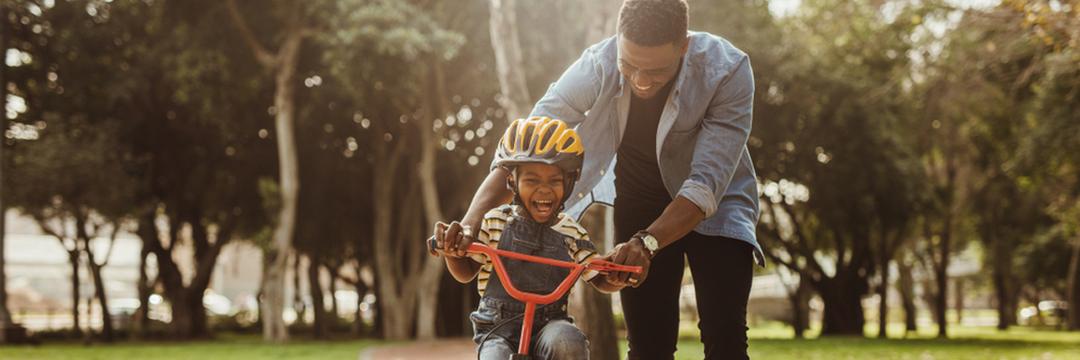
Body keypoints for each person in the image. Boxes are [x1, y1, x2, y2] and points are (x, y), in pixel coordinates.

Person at [438, 0, 764, 358]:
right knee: (648, 344)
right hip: (640, 199)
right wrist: (470, 224)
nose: (640, 81)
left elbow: (704, 186)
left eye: (655, 71)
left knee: (725, 337)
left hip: (717, 207)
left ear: (683, 46)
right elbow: (526, 149)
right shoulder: (597, 64)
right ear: (619, 39)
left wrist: (648, 243)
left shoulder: (728, 70)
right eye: (629, 65)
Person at [433, 117, 625, 360]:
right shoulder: (495, 221)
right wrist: (452, 253)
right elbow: (466, 271)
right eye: (532, 180)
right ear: (512, 181)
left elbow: (598, 276)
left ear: (569, 182)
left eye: (554, 181)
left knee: (568, 342)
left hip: (551, 324)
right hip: (497, 328)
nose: (544, 190)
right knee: (494, 357)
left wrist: (617, 276)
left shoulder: (572, 231)